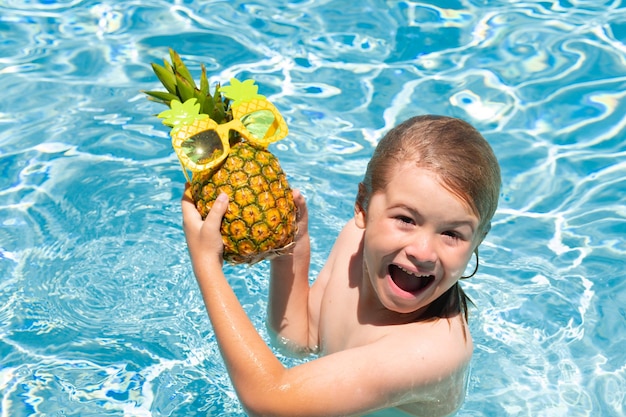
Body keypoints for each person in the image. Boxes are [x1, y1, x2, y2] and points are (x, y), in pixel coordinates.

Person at [181, 114, 502, 417]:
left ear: (478, 240)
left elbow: (270, 403)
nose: (423, 252)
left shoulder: (433, 351)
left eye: (451, 234)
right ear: (363, 207)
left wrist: (207, 267)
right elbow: (298, 341)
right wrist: (291, 251)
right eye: (405, 219)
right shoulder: (356, 242)